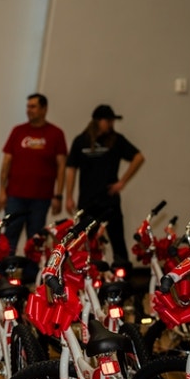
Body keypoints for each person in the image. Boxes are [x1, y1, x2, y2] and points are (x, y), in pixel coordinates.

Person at [65, 104, 145, 266]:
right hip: (88, 200)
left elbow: (138, 157)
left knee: (117, 238)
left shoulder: (116, 140)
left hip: (109, 200)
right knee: (86, 240)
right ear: (97, 121)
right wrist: (68, 196)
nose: (111, 124)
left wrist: (122, 182)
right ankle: (88, 273)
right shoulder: (81, 141)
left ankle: (122, 272)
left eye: (112, 121)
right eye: (108, 121)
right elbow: (71, 169)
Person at [0, 93, 67, 278]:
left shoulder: (56, 134)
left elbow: (61, 167)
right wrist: (1, 191)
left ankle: (30, 278)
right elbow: (6, 162)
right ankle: (4, 275)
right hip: (15, 196)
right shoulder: (18, 131)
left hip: (41, 198)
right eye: (28, 106)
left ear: (44, 109)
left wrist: (58, 195)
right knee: (9, 236)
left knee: (35, 241)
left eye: (33, 106)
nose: (29, 110)